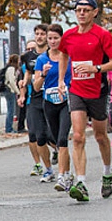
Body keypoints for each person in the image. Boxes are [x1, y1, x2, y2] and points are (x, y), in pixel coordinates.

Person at [58, 0, 112, 202]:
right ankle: (82, 182)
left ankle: (107, 172)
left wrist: (97, 68)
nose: (81, 13)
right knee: (77, 136)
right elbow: (63, 55)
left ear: (95, 12)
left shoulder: (102, 35)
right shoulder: (68, 36)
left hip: (98, 91)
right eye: (78, 10)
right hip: (76, 89)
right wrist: (61, 79)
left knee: (101, 136)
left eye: (86, 10)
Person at [33, 24, 74, 192]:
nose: (52, 41)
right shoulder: (42, 59)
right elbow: (36, 87)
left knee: (63, 139)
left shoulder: (69, 57)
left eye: (56, 38)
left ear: (61, 39)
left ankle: (61, 176)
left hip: (66, 101)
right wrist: (43, 74)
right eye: (50, 38)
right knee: (57, 140)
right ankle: (68, 173)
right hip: (49, 102)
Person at [18, 24, 55, 182]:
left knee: (52, 136)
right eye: (37, 34)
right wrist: (23, 86)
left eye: (42, 34)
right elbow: (27, 72)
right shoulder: (28, 57)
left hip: (52, 98)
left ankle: (61, 159)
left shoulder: (54, 54)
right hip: (34, 98)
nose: (39, 37)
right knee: (37, 135)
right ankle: (47, 169)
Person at [17, 40, 37, 133]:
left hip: (46, 99)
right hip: (30, 100)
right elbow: (22, 82)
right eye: (28, 49)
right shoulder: (24, 66)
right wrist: (22, 96)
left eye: (32, 49)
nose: (30, 51)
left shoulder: (45, 59)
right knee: (33, 134)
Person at [4, 54, 20, 133]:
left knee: (10, 109)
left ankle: (9, 127)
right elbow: (12, 82)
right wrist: (18, 91)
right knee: (11, 110)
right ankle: (9, 128)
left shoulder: (9, 67)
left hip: (8, 90)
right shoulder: (11, 69)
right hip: (9, 90)